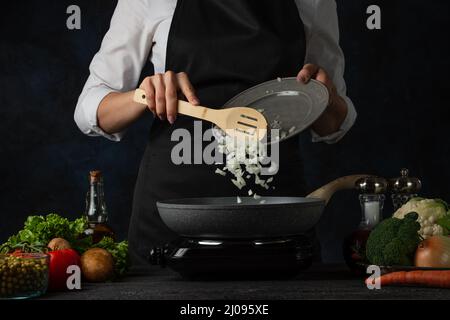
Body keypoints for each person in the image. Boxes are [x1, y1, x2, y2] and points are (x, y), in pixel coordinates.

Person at [75, 0, 357, 266]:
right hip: (171, 225)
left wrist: (325, 97)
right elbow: (90, 108)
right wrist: (144, 94)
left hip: (275, 224)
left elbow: (333, 125)